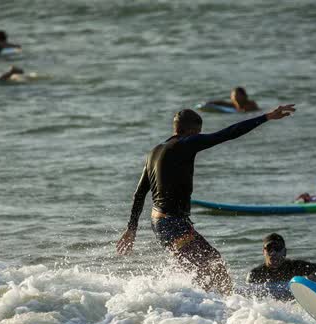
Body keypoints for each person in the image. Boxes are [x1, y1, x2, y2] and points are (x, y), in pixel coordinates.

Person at [116, 105, 296, 295]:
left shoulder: (153, 152)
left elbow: (139, 194)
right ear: (192, 131)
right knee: (213, 264)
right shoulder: (185, 144)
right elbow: (227, 133)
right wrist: (266, 117)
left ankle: (200, 306)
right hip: (172, 223)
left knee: (202, 270)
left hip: (159, 222)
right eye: (198, 133)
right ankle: (226, 305)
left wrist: (131, 228)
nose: (199, 137)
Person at [246, 233, 316, 283]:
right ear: (263, 252)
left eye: (277, 248)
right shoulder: (255, 274)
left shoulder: (295, 267)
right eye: (269, 249)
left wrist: (314, 276)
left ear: (284, 252)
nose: (273, 253)